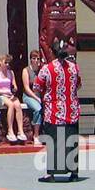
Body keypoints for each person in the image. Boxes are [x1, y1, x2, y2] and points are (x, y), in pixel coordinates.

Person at [34, 38, 83, 181]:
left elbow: (37, 87)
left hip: (54, 111)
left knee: (54, 141)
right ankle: (73, 173)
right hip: (71, 110)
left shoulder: (47, 69)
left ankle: (52, 173)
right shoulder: (74, 68)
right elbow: (78, 85)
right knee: (71, 140)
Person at [0, 54, 27, 143]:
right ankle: (10, 130)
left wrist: (14, 88)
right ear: (0, 62)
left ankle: (20, 131)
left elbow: (14, 85)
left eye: (8, 63)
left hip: (9, 95)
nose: (7, 65)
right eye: (5, 62)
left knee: (17, 105)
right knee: (10, 105)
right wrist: (3, 92)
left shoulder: (11, 73)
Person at [20, 49, 44, 132]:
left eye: (38, 58)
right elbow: (26, 88)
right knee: (38, 109)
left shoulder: (41, 71)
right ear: (30, 59)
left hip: (39, 96)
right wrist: (37, 98)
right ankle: (36, 134)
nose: (36, 60)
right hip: (29, 96)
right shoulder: (26, 70)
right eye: (34, 58)